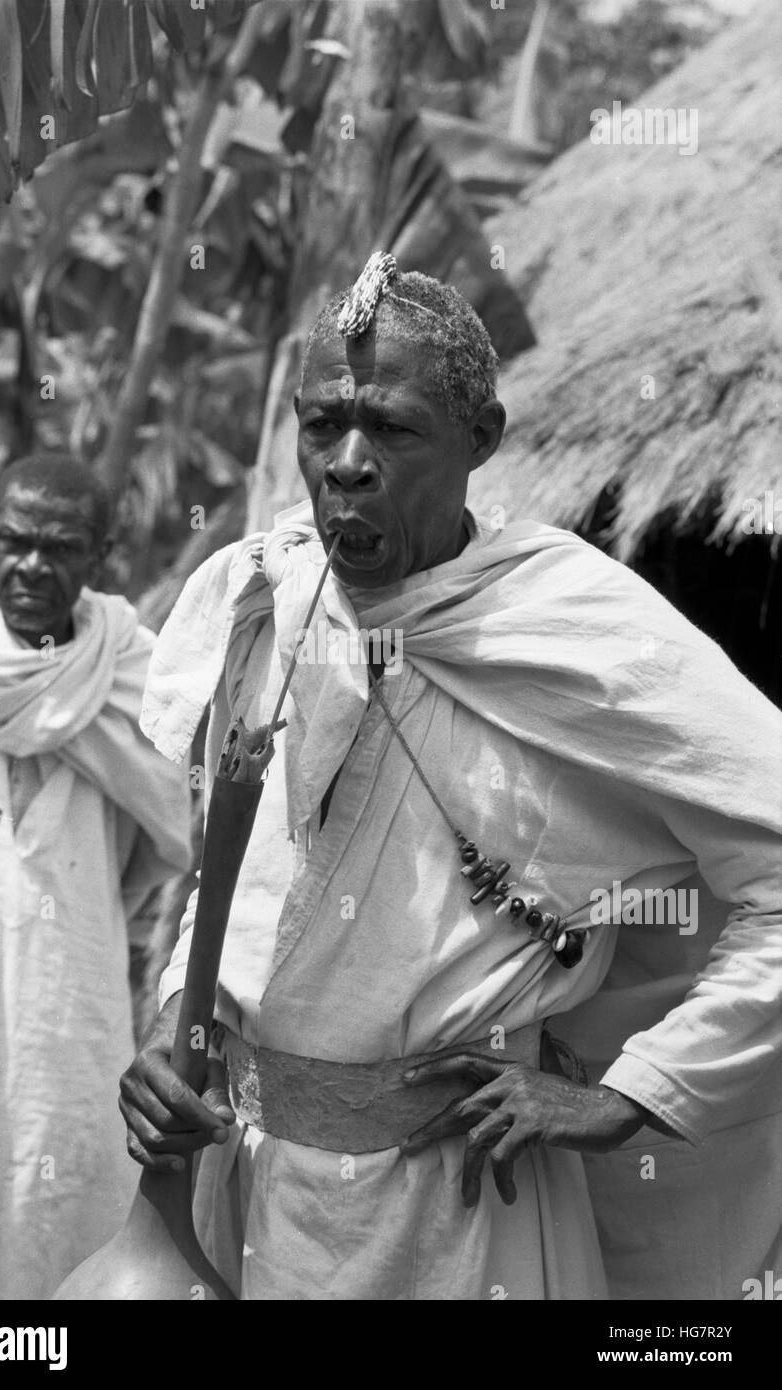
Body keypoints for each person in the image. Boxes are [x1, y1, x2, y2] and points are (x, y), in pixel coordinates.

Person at [122, 252, 782, 1301]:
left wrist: (632, 1093)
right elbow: (232, 877)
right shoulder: (267, 599)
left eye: (387, 426)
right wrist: (174, 1026)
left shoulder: (574, 630)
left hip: (462, 1223)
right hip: (250, 1197)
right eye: (319, 422)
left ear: (481, 441)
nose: (344, 462)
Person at [0, 455, 191, 1301]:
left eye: (60, 548)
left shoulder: (134, 671)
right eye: (15, 541)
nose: (32, 565)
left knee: (60, 1190)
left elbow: (168, 835)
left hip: (71, 981)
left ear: (102, 554)